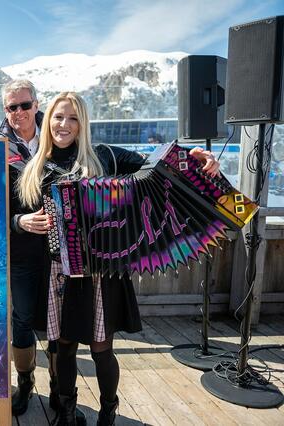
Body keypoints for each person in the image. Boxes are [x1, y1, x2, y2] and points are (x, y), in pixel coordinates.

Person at [17, 91, 220, 426]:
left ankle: (108, 412)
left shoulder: (106, 156)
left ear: (83, 124)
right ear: (47, 119)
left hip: (102, 271)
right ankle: (66, 413)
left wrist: (193, 157)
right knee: (63, 346)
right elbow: (16, 214)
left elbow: (157, 163)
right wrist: (21, 221)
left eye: (73, 118)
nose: (64, 124)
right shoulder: (34, 168)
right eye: (58, 117)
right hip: (58, 269)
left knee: (101, 349)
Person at [0, 79, 86, 421]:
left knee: (58, 324)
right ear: (5, 111)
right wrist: (19, 221)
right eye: (12, 107)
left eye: (25, 105)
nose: (19, 112)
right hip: (21, 252)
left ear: (37, 105)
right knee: (21, 319)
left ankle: (57, 387)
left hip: (60, 254)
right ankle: (24, 383)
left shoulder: (57, 138)